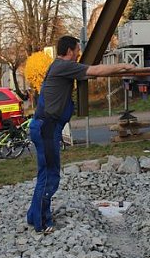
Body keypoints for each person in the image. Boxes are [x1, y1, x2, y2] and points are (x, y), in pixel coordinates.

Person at [26, 36, 136, 234]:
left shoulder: (59, 67)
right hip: (47, 128)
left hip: (43, 126)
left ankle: (34, 216)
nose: (78, 53)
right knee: (50, 175)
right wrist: (122, 66)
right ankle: (43, 224)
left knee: (44, 173)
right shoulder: (64, 66)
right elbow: (95, 70)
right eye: (77, 49)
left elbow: (89, 74)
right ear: (69, 51)